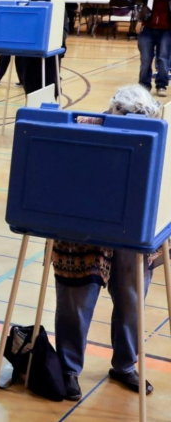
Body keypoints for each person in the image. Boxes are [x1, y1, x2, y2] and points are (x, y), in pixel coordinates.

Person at [53, 84, 162, 402]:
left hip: (133, 232)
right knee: (75, 303)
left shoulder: (156, 134)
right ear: (113, 113)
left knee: (132, 301)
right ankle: (68, 368)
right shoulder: (85, 130)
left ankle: (125, 365)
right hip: (83, 232)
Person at [19, 0, 64, 99]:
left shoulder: (26, 11)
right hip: (45, 58)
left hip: (33, 58)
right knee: (44, 89)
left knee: (34, 91)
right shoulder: (55, 11)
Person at [137, 0, 171, 97]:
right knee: (145, 59)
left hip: (167, 27)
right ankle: (144, 86)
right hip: (148, 26)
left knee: (163, 58)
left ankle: (161, 85)